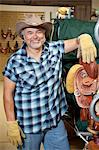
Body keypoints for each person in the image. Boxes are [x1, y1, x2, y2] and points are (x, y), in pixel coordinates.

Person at [3, 14, 97, 150]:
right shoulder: (15, 61)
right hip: (30, 124)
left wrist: (83, 38)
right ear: (23, 36)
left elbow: (76, 41)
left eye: (39, 32)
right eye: (30, 32)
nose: (35, 36)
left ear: (44, 34)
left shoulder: (54, 49)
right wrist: (11, 123)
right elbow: (7, 94)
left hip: (54, 122)